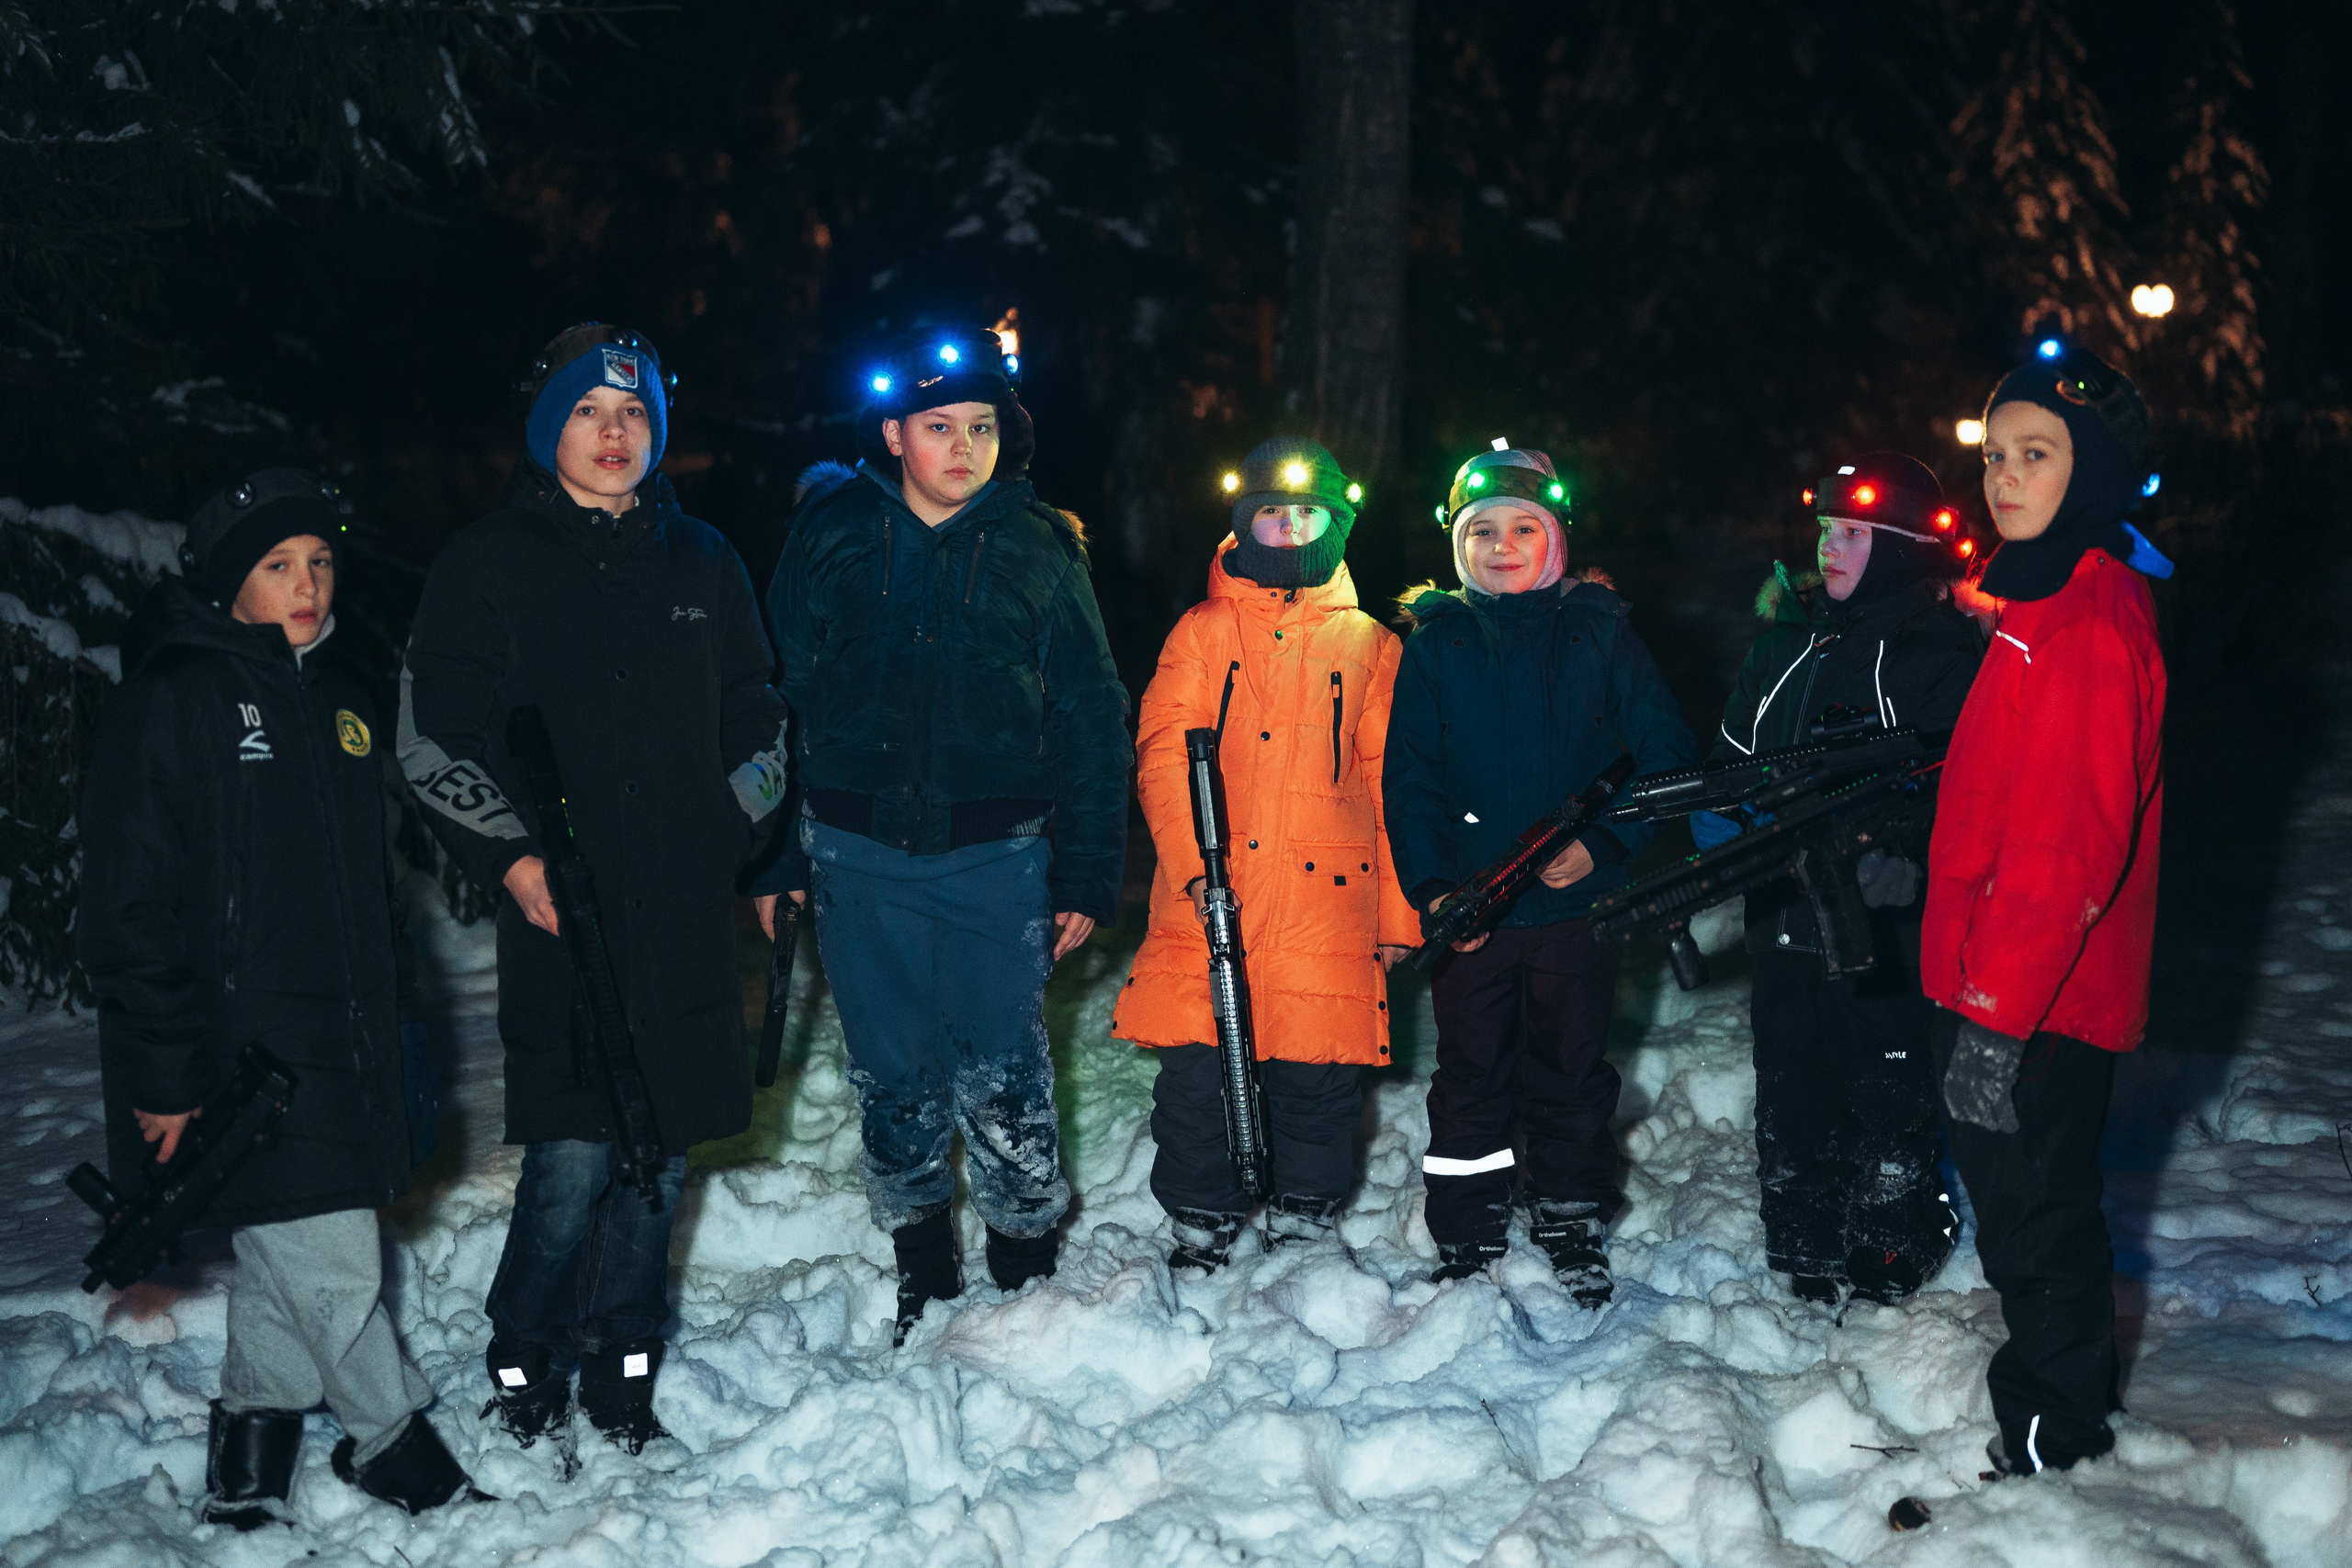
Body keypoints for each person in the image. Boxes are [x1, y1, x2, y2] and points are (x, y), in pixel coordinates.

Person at [401, 324, 788, 1456]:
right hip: (560, 917)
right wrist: (514, 860)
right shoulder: (487, 562)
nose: (613, 435)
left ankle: (623, 1373)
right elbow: (432, 737)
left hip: (680, 923)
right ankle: (524, 1358)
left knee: (657, 1158)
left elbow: (760, 716)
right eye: (587, 414)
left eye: (633, 416)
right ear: (547, 429)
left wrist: (731, 829)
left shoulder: (704, 559)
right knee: (572, 1163)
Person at [78, 469, 484, 1525]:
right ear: (227, 583)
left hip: (340, 1040)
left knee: (287, 1248)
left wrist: (400, 1032)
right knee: (333, 1263)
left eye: (319, 561)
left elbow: (371, 895)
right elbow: (129, 907)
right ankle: (392, 1441)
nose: (306, 584)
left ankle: (251, 1459)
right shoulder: (175, 698)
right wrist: (165, 1076)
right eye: (276, 565)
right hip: (236, 1052)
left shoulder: (341, 705)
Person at [749, 324, 1131, 1342]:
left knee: (1003, 1066)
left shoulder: (1039, 549)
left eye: (981, 428)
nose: (961, 447)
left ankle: (1024, 1263)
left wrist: (1088, 868)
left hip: (997, 857)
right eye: (937, 427)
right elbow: (772, 704)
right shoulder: (830, 535)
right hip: (855, 854)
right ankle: (922, 1259)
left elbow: (1093, 714)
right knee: (892, 1067)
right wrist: (774, 854)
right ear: (891, 435)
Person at [1925, 344, 2170, 1476]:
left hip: (2037, 1003)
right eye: (1994, 455)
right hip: (2009, 985)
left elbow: (2064, 847)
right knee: (2023, 1210)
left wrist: (1994, 1015)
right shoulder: (2040, 598)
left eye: (2037, 455)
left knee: (2039, 1218)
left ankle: (2054, 1439)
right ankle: (2047, 1415)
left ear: (2097, 473)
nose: (2005, 478)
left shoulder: (2085, 624)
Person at [1383, 444, 1695, 1302]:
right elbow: (1410, 777)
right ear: (1459, 546)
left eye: (1525, 526)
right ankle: (1469, 1219)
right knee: (1472, 1067)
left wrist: (1608, 844)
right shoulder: (1438, 642)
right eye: (1482, 530)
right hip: (1475, 907)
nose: (1503, 543)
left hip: (1575, 907)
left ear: (1557, 539)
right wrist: (1436, 886)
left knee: (1569, 1062)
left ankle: (1568, 1206)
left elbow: (1664, 753)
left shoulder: (1600, 630)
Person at [1112, 439, 1422, 1270]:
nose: (1289, 529)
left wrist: (1399, 914)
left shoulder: (1372, 646)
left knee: (1316, 1078)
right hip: (1210, 896)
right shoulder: (1203, 631)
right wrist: (1192, 866)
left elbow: (1395, 787)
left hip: (1331, 904)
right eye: (1271, 514)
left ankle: (1305, 1215)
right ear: (1244, 523)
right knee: (1195, 1075)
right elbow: (1163, 752)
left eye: (1308, 512)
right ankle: (1201, 1219)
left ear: (1338, 523)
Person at [1693, 455, 1984, 1305]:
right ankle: (1803, 1231)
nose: (1829, 547)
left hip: (1883, 925)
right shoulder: (1786, 646)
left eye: (1852, 532)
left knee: (1883, 1071)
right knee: (1790, 1069)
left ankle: (1894, 1235)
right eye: (1824, 530)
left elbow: (1959, 782)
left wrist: (1910, 852)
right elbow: (1735, 763)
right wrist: (1724, 824)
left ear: (1897, 547)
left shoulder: (1934, 655)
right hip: (1784, 908)